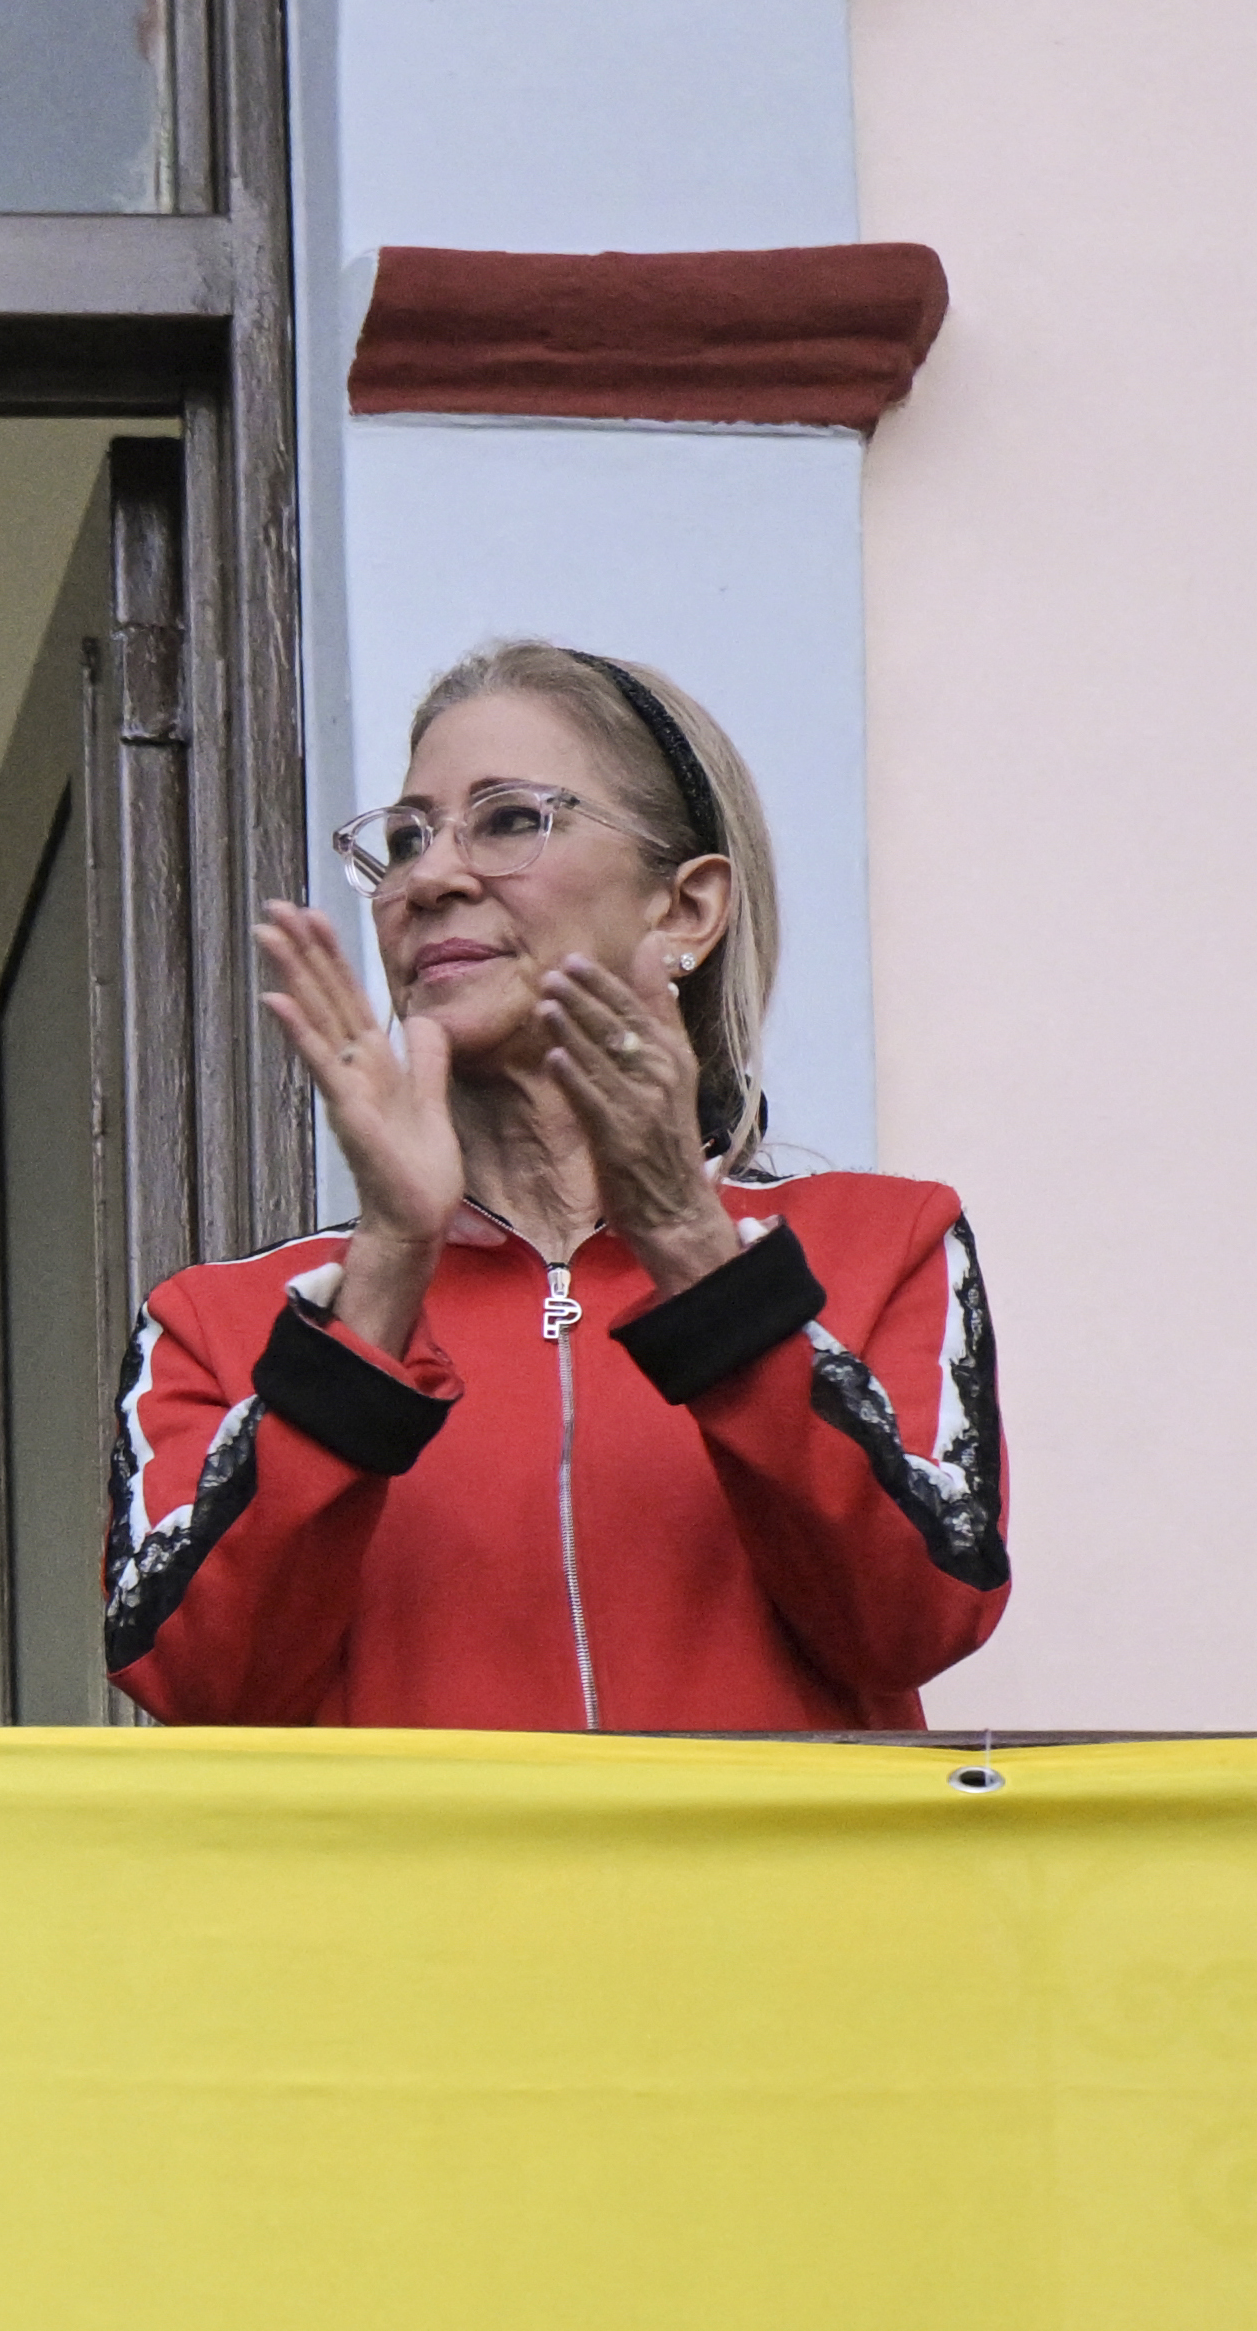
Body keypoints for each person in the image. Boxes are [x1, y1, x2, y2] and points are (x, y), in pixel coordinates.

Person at [111, 641, 1006, 1731]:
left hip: (772, 1906)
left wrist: (687, 1243)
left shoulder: (883, 1244)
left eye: (507, 819)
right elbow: (200, 1681)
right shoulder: (215, 1319)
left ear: (685, 909)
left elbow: (917, 1616)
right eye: (405, 838)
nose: (429, 877)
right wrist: (388, 1266)